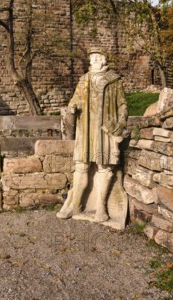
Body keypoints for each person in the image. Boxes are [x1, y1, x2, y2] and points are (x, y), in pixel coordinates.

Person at [57, 46, 128, 222]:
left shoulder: (114, 81)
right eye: (93, 57)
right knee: (81, 166)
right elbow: (75, 99)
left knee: (104, 166)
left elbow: (123, 105)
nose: (95, 59)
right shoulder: (83, 80)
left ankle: (100, 207)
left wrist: (119, 125)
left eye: (98, 56)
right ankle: (75, 205)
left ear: (105, 59)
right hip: (85, 129)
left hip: (105, 129)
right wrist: (73, 105)